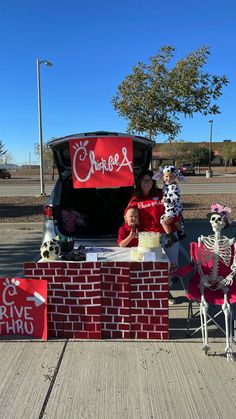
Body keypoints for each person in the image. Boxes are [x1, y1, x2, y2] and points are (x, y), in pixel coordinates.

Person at [153, 165, 185, 248]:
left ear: (175, 177)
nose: (168, 178)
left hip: (172, 207)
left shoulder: (173, 187)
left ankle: (171, 237)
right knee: (175, 220)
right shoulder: (167, 186)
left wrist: (167, 200)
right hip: (173, 208)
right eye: (166, 176)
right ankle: (180, 233)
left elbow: (175, 196)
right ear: (163, 177)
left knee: (163, 221)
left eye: (171, 176)